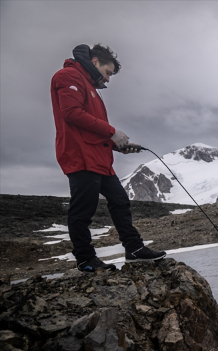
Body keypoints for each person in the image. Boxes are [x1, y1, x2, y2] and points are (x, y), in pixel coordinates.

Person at [50, 43, 166, 272]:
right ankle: (85, 259)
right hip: (80, 157)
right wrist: (112, 132)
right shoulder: (68, 76)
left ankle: (134, 249)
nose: (109, 80)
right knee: (83, 210)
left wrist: (115, 145)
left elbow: (90, 128)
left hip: (99, 157)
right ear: (95, 63)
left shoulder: (90, 86)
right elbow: (71, 114)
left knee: (120, 201)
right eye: (108, 73)